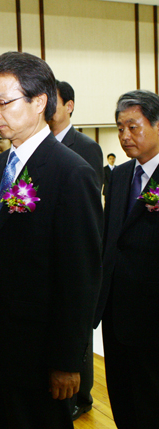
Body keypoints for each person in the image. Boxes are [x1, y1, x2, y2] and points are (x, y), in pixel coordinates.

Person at [0, 51, 102, 428]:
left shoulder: (71, 172)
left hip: (39, 352)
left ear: (39, 101)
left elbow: (80, 276)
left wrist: (67, 361)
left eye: (3, 103)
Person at [94, 89, 159, 428]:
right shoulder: (119, 175)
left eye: (133, 127)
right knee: (122, 394)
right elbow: (110, 239)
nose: (124, 136)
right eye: (120, 128)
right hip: (116, 311)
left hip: (153, 312)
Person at [48, 79, 104, 421]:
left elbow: (87, 205)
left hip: (73, 243)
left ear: (69, 105)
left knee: (76, 329)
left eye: (53, 100)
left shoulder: (84, 146)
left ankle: (82, 395)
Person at [49, 80, 104, 191]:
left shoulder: (88, 148)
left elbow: (91, 197)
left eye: (52, 102)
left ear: (69, 106)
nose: (47, 108)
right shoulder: (39, 145)